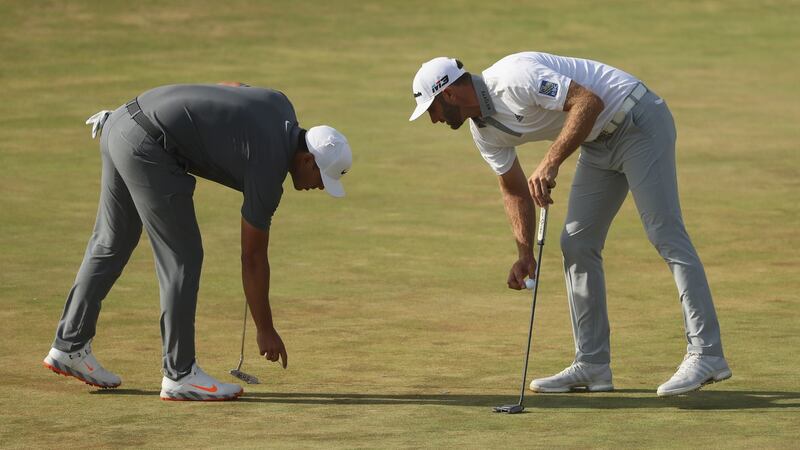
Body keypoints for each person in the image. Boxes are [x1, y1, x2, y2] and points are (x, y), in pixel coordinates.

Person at [409, 53, 730, 396]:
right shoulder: (484, 132)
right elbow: (514, 189)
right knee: (576, 243)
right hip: (596, 143)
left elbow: (588, 102)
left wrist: (551, 160)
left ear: (449, 94)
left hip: (637, 118)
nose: (434, 120)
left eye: (432, 110)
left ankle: (706, 353)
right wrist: (524, 253)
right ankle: (592, 364)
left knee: (664, 233)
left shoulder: (514, 76)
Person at [43, 83, 352, 401]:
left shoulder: (280, 103)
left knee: (111, 242)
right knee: (183, 257)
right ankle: (180, 374)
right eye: (322, 179)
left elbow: (227, 90)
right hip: (150, 145)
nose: (321, 188)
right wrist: (265, 329)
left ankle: (70, 345)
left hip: (121, 121)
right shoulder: (269, 170)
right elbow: (253, 258)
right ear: (307, 161)